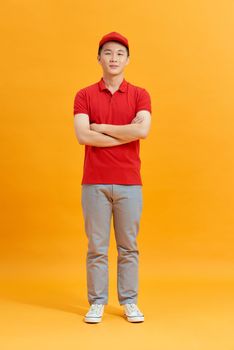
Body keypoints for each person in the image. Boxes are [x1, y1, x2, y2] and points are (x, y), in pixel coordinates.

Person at [73, 31, 152, 323]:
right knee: (96, 247)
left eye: (120, 53)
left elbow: (143, 131)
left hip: (130, 183)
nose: (114, 58)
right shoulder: (84, 94)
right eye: (108, 52)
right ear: (99, 58)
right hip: (94, 182)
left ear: (128, 59)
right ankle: (97, 302)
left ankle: (129, 301)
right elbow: (82, 135)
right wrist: (125, 133)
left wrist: (102, 128)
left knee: (128, 246)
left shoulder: (140, 94)